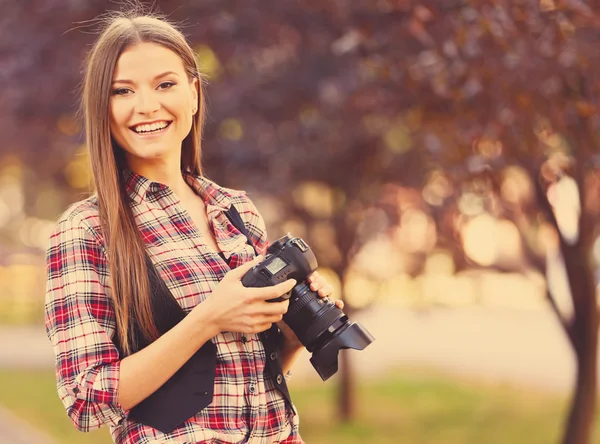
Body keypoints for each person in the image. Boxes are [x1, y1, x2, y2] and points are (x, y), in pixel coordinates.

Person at [44, 10, 341, 444]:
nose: (147, 106)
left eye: (165, 84)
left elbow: (254, 374)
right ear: (102, 109)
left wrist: (294, 336)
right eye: (122, 91)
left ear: (194, 94)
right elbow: (86, 400)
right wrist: (208, 318)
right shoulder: (86, 231)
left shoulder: (235, 210)